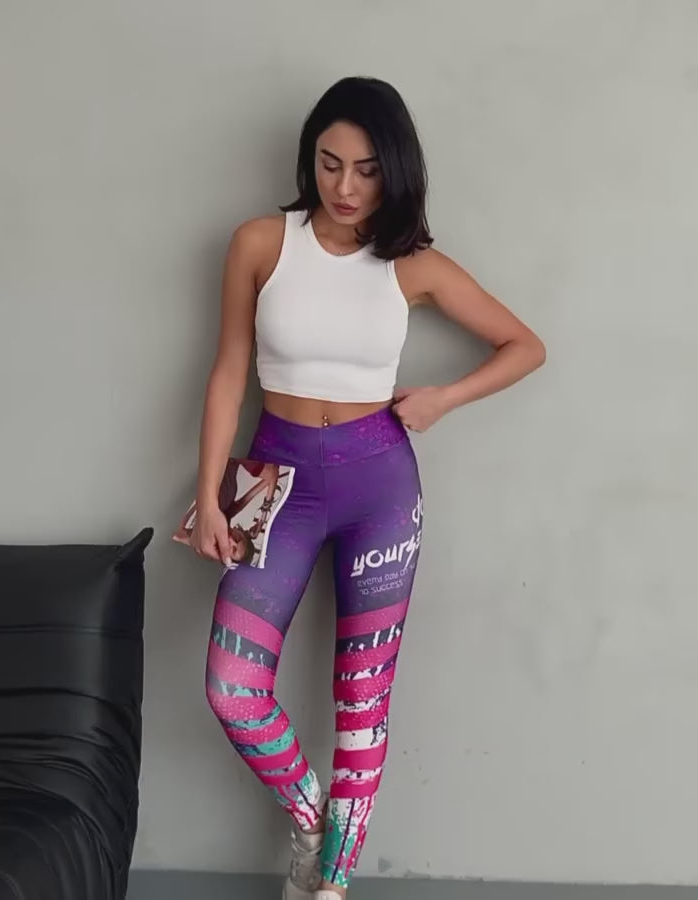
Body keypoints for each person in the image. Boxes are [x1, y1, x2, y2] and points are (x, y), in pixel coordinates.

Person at [189, 76, 545, 900]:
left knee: (362, 702)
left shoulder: (412, 265)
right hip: (274, 481)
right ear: (308, 159)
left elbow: (524, 345)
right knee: (232, 688)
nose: (345, 187)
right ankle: (314, 822)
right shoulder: (260, 242)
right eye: (329, 164)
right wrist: (208, 496)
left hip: (379, 486)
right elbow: (229, 372)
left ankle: (331, 886)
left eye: (367, 170)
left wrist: (443, 399)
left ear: (396, 170)